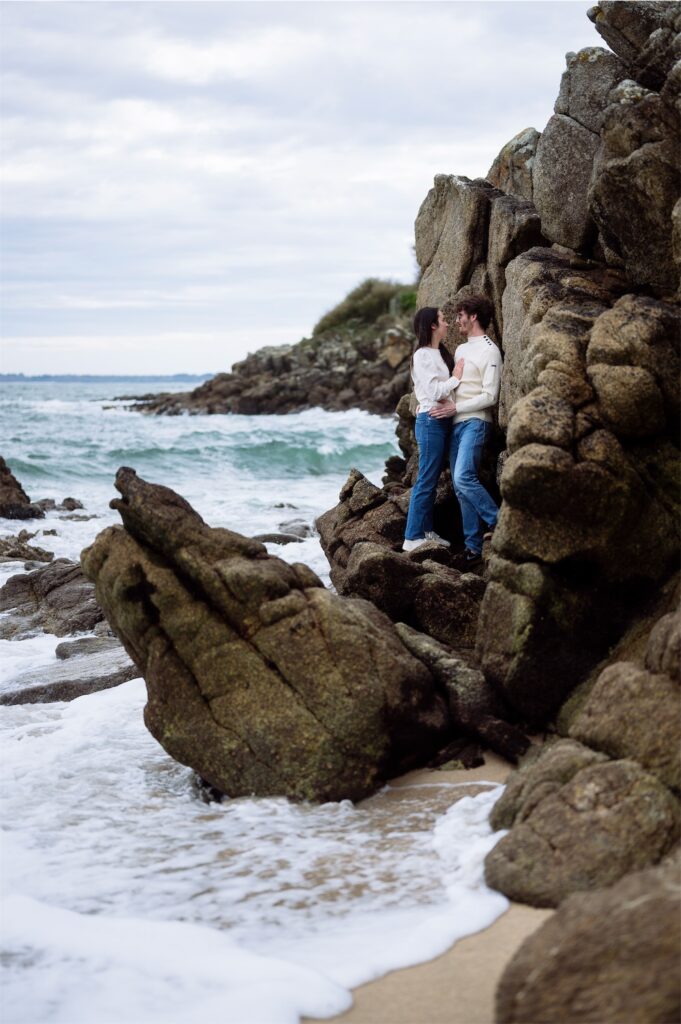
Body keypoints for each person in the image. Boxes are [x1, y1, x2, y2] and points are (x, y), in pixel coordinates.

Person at [429, 295, 501, 565]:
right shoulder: (460, 350)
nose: (457, 320)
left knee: (463, 478)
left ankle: (499, 522)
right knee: (460, 489)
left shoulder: (490, 351)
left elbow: (490, 396)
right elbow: (452, 387)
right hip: (456, 424)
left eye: (461, 315)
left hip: (476, 421)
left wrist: (455, 410)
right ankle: (473, 548)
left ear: (473, 317)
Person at [403, 307, 464, 552]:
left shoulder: (439, 353)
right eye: (443, 319)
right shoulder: (422, 356)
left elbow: (432, 392)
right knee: (426, 480)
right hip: (431, 423)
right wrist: (456, 377)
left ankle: (426, 532)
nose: (447, 323)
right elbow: (436, 392)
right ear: (432, 325)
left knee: (433, 479)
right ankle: (412, 537)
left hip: (440, 420)